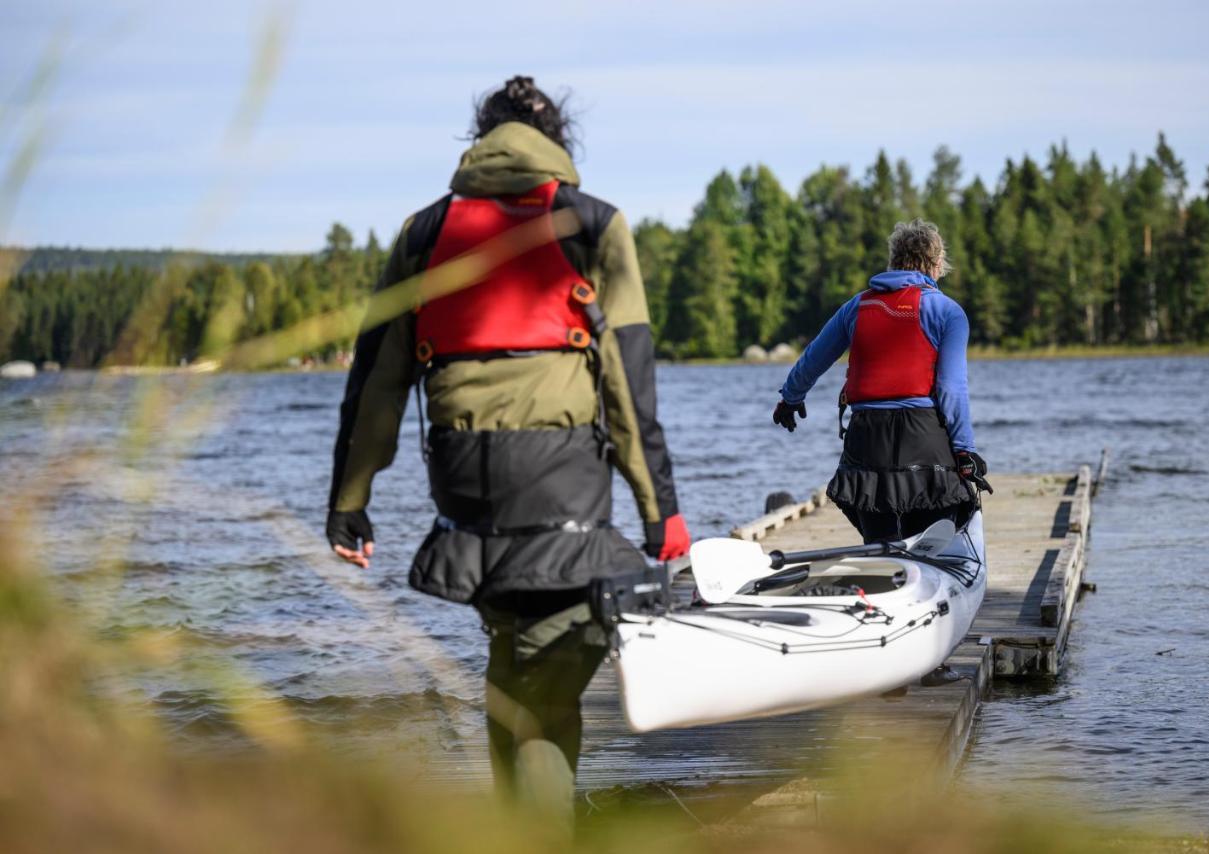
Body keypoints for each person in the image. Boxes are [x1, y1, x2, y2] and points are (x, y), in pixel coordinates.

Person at [325, 76, 690, 825]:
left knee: (516, 664)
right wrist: (663, 512)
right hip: (562, 489)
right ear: (558, 143)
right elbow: (628, 386)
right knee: (548, 685)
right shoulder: (594, 225)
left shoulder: (423, 233)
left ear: (480, 140)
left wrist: (349, 502)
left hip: (465, 490)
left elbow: (378, 381)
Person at [771, 218, 989, 543]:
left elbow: (814, 358)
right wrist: (964, 450)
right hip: (924, 441)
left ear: (893, 259)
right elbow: (951, 389)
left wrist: (790, 398)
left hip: (867, 441)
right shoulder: (947, 311)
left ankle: (881, 581)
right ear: (938, 263)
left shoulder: (856, 307)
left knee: (879, 544)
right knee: (934, 544)